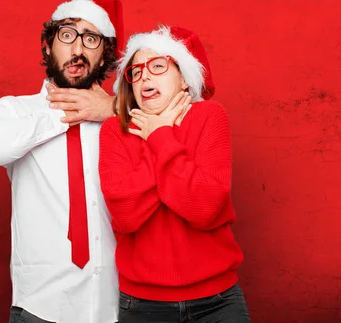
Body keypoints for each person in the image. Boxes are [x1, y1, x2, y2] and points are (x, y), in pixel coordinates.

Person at [0, 1, 124, 322]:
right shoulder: (15, 111)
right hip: (40, 305)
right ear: (49, 44)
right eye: (67, 34)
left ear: (104, 54)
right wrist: (62, 113)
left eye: (91, 38)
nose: (78, 48)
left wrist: (113, 109)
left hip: (116, 303)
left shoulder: (120, 117)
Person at [98, 26, 251, 323]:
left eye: (157, 66)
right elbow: (126, 214)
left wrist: (159, 136)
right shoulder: (114, 131)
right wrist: (163, 138)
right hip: (142, 306)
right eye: (137, 71)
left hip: (217, 303)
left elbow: (205, 207)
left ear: (183, 79)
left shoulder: (210, 116)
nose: (145, 77)